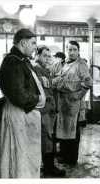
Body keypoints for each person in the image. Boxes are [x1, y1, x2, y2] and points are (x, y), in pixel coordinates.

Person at [0, 28, 46, 178]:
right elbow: (19, 96)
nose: (34, 47)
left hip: (24, 115)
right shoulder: (12, 62)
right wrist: (38, 99)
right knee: (19, 159)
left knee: (26, 158)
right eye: (33, 43)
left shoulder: (21, 60)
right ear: (23, 43)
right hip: (17, 115)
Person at [52, 41, 92, 166]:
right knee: (62, 130)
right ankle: (63, 155)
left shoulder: (81, 64)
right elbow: (54, 77)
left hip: (72, 102)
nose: (72, 52)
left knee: (72, 131)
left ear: (78, 51)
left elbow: (88, 83)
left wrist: (78, 96)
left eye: (75, 49)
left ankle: (72, 159)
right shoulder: (62, 63)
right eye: (70, 49)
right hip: (61, 101)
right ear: (66, 50)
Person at [33, 46, 66, 177]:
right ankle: (49, 169)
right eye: (45, 56)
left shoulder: (44, 69)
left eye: (49, 56)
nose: (47, 58)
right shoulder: (36, 69)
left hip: (49, 108)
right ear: (37, 55)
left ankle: (49, 166)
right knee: (47, 139)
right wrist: (54, 81)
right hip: (44, 109)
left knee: (49, 138)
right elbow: (44, 85)